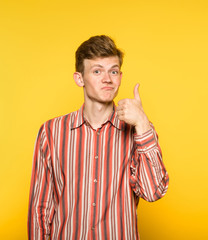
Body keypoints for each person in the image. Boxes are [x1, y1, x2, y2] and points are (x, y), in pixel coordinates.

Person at [27, 35, 169, 240]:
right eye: (97, 71)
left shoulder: (139, 129)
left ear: (120, 76)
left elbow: (153, 192)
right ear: (79, 78)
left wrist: (143, 125)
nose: (107, 79)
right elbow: (41, 208)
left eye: (113, 71)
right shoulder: (51, 132)